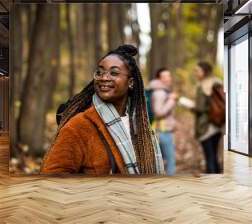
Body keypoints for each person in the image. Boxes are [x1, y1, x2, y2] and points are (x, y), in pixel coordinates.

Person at [41, 45, 164, 175]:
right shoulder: (78, 126)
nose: (104, 77)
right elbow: (52, 178)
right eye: (99, 72)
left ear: (131, 82)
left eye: (114, 73)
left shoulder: (141, 127)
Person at [187, 62, 223, 173]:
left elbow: (201, 109)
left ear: (204, 71)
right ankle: (219, 182)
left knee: (209, 157)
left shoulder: (202, 85)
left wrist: (191, 107)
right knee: (215, 155)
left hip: (205, 126)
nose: (195, 73)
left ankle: (211, 184)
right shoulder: (217, 81)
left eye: (197, 70)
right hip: (218, 124)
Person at [149, 68, 177, 175]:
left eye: (169, 76)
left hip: (160, 129)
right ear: (158, 79)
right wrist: (171, 100)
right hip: (163, 131)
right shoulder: (160, 92)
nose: (168, 78)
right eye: (164, 76)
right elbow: (159, 112)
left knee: (159, 162)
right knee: (170, 162)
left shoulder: (161, 91)